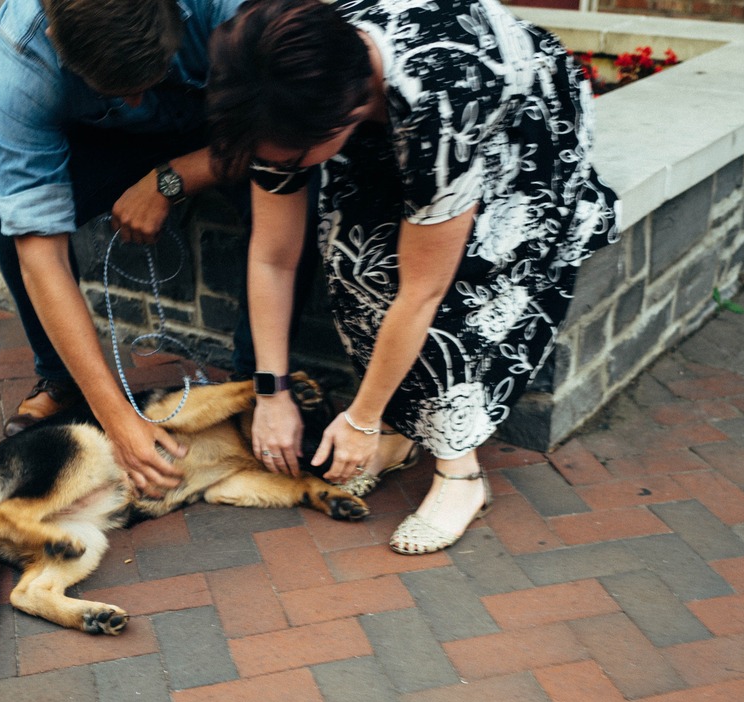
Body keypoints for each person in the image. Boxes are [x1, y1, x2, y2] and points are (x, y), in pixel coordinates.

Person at [207, 0, 620, 554]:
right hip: (388, 105)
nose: (284, 171)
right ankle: (400, 436)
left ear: (346, 120)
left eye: (294, 161)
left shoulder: (443, 102)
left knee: (460, 289)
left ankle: (460, 473)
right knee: (353, 258)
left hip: (514, 116)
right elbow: (273, 257)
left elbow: (422, 292)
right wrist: (271, 389)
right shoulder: (276, 89)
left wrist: (362, 416)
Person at [0, 0, 248, 494]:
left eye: (146, 80)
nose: (134, 102)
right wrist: (116, 420)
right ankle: (63, 380)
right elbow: (39, 252)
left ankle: (252, 389)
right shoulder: (27, 51)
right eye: (115, 90)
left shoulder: (231, 9)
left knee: (282, 184)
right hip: (102, 140)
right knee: (6, 216)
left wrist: (169, 181)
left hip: (220, 127)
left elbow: (279, 129)